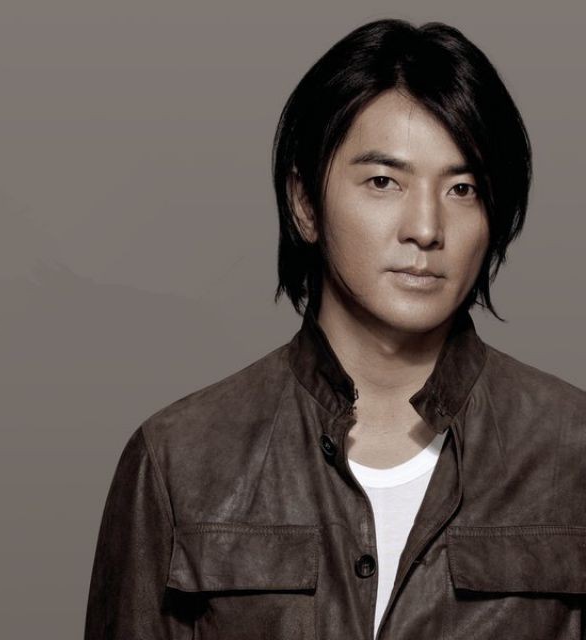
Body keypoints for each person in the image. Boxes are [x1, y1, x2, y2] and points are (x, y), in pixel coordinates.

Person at [84, 18, 586, 640]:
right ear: (305, 204)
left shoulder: (572, 452)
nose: (426, 228)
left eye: (462, 188)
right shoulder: (176, 461)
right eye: (384, 182)